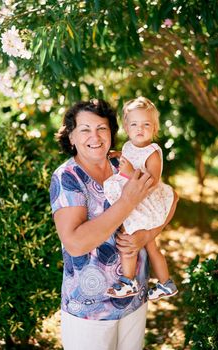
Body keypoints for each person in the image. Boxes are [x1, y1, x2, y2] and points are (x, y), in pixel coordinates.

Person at [49, 99, 178, 350]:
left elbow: (170, 200)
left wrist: (147, 235)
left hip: (134, 300)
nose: (94, 136)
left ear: (112, 133)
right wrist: (127, 202)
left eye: (102, 128)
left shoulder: (124, 164)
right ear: (71, 136)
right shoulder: (67, 177)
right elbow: (75, 244)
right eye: (85, 129)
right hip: (90, 310)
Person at [104, 96, 178, 301]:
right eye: (134, 124)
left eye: (146, 124)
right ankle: (166, 283)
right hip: (135, 196)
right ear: (126, 127)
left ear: (154, 128)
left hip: (147, 201)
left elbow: (152, 181)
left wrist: (128, 173)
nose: (140, 129)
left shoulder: (153, 152)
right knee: (151, 245)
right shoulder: (129, 145)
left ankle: (129, 281)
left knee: (129, 235)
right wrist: (119, 154)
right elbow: (130, 156)